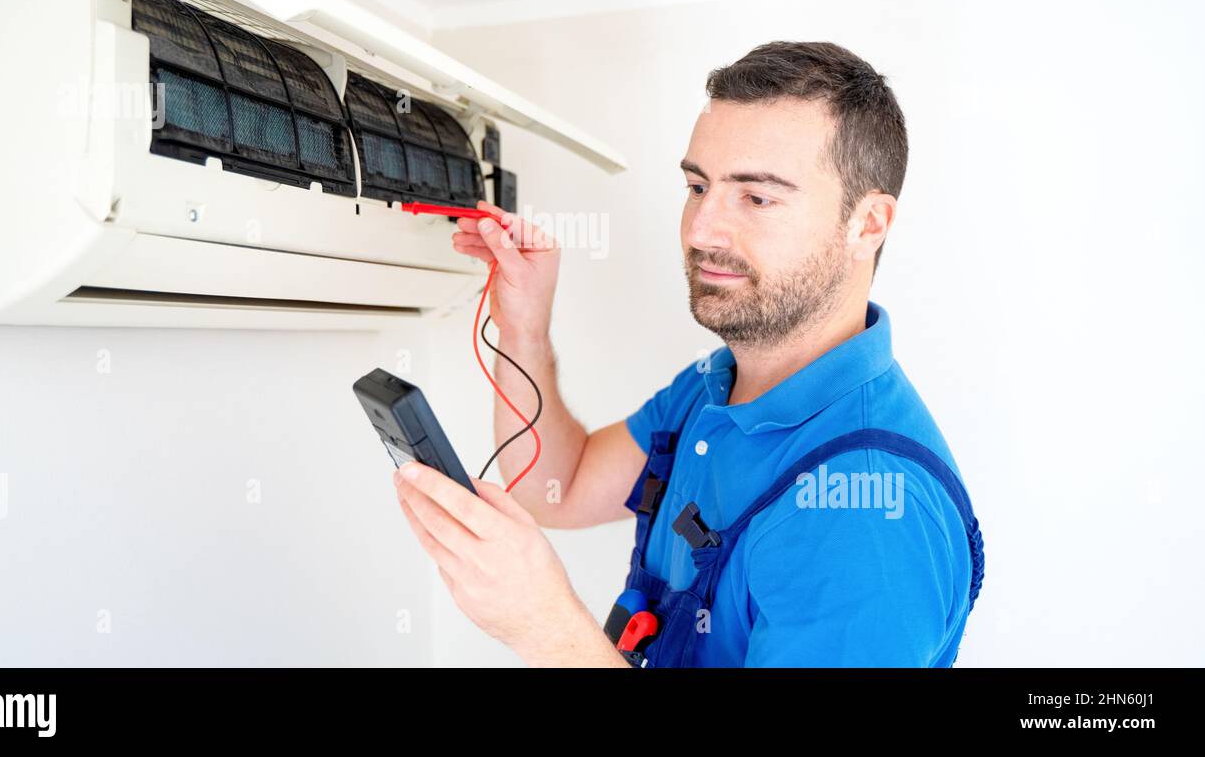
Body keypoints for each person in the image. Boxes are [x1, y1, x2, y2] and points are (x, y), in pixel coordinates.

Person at [391, 41, 983, 667]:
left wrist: (544, 626)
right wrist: (525, 328)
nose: (700, 230)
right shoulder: (712, 388)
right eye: (698, 186)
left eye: (756, 197)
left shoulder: (868, 512)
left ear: (868, 224)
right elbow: (554, 487)